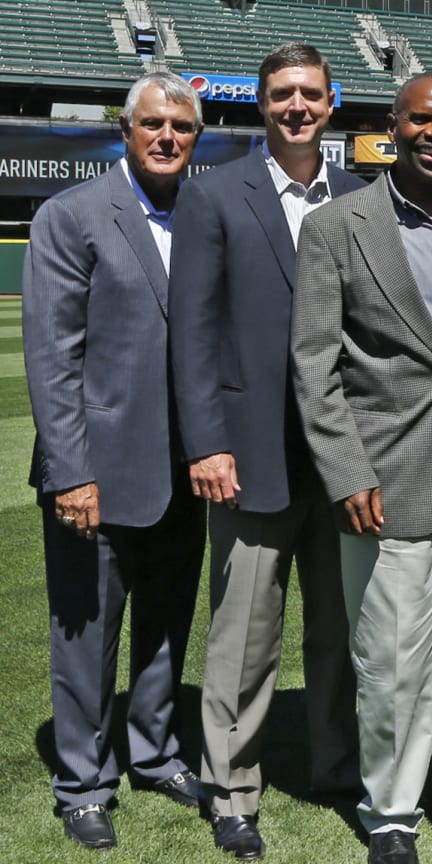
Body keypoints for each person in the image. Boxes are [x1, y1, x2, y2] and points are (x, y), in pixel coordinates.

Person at [289, 73, 432, 864]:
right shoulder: (335, 225)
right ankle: (391, 811)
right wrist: (347, 471)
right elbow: (314, 366)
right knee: (390, 657)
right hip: (384, 477)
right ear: (393, 126)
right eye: (419, 119)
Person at [168, 43, 365, 861]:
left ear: (330, 102)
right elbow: (194, 332)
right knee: (246, 636)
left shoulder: (360, 195)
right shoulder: (215, 195)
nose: (295, 106)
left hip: (342, 460)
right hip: (248, 458)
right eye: (281, 94)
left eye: (309, 94)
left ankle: (337, 768)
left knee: (339, 631)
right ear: (260, 103)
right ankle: (233, 790)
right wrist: (207, 443)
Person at [22, 71, 207, 851]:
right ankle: (83, 782)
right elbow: (52, 356)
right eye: (153, 124)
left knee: (166, 627)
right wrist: (70, 471)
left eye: (183, 127)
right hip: (94, 472)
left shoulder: (206, 213)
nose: (167, 137)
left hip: (186, 471)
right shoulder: (73, 214)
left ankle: (155, 752)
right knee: (86, 637)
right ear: (125, 130)